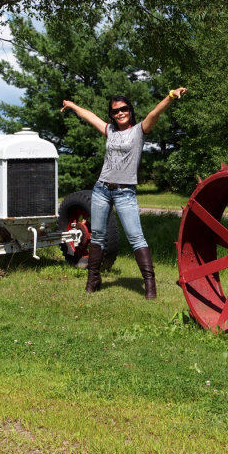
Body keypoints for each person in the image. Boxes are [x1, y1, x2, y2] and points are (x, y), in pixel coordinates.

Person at [61, 87, 187, 298]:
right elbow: (90, 116)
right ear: (111, 114)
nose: (120, 113)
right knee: (98, 236)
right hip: (102, 189)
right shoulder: (110, 130)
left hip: (125, 192)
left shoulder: (138, 131)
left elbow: (154, 114)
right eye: (115, 111)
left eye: (123, 109)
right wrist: (72, 106)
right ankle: (93, 279)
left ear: (130, 110)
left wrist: (171, 96)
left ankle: (149, 285)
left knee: (136, 237)